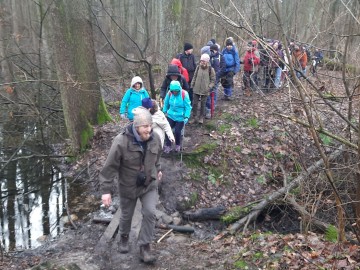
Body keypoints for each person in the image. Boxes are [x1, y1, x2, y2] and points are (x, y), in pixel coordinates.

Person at [99, 107, 162, 264]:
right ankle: (124, 237)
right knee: (126, 215)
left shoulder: (155, 139)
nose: (149, 129)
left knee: (150, 213)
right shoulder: (120, 142)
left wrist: (158, 170)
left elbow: (157, 157)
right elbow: (109, 167)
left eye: (150, 125)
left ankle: (144, 247)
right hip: (128, 186)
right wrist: (106, 191)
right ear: (136, 126)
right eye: (145, 126)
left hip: (149, 184)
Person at [162, 81, 192, 153]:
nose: (174, 93)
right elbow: (166, 103)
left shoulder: (184, 94)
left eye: (176, 91)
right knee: (167, 129)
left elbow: (188, 107)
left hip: (180, 116)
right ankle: (168, 145)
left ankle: (177, 145)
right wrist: (164, 111)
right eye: (173, 91)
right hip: (171, 115)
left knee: (177, 131)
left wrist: (186, 116)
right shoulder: (169, 93)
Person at [189, 54, 215, 124]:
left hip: (205, 90)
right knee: (194, 104)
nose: (202, 62)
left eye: (204, 61)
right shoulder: (198, 67)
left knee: (203, 104)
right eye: (201, 60)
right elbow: (194, 76)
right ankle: (194, 117)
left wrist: (209, 87)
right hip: (196, 88)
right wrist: (192, 84)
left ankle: (201, 117)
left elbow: (213, 80)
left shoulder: (210, 69)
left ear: (207, 61)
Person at [205, 44, 225, 118]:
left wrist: (217, 75)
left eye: (212, 50)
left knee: (214, 92)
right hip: (207, 78)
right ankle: (208, 109)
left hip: (216, 78)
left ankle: (213, 107)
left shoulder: (220, 57)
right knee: (208, 92)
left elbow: (223, 67)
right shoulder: (208, 57)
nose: (212, 52)